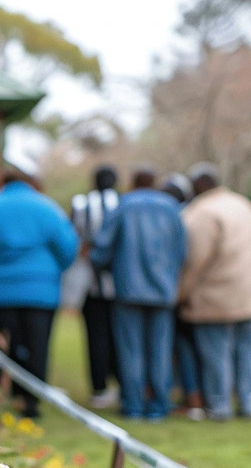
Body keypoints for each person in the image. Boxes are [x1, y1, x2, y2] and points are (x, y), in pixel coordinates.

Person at [0, 159, 79, 419]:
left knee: (2, 346)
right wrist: (51, 270)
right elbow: (68, 248)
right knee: (37, 345)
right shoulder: (47, 208)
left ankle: (1, 395)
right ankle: (30, 401)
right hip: (40, 291)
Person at [178, 163, 251, 421]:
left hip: (216, 296)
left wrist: (181, 293)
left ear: (198, 185)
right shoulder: (242, 204)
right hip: (250, 294)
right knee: (245, 351)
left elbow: (194, 260)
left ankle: (220, 407)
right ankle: (248, 403)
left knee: (216, 354)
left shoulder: (202, 213)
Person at [91, 167, 188, 421]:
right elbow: (183, 249)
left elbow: (102, 248)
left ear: (132, 182)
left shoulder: (123, 206)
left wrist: (106, 267)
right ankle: (158, 405)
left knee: (130, 350)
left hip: (128, 290)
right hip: (164, 291)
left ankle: (133, 405)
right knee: (160, 349)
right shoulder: (171, 208)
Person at [69, 165, 121, 409]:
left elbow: (73, 241)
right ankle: (121, 384)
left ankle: (99, 388)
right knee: (120, 336)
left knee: (95, 336)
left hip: (89, 283)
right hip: (120, 285)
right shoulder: (122, 204)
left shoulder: (80, 205)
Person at [161, 173, 204, 418]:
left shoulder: (181, 218)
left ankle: (191, 398)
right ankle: (192, 397)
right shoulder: (190, 215)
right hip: (185, 292)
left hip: (180, 293)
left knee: (182, 346)